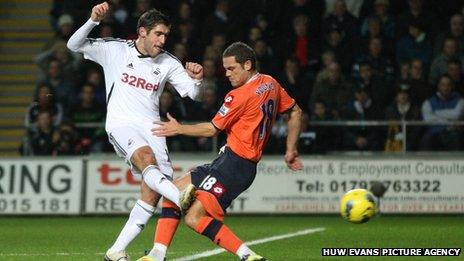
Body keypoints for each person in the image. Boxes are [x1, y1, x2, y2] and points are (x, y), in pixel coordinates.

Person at [139, 42, 303, 261]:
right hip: (231, 162)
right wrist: (290, 150)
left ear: (247, 65)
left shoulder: (239, 96)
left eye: (231, 69)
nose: (226, 74)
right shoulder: (270, 83)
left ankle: (248, 256)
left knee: (194, 218)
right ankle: (157, 254)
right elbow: (296, 112)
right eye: (224, 69)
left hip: (234, 165)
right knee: (172, 192)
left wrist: (178, 129)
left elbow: (211, 130)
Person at [66, 2, 203, 260]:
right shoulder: (115, 49)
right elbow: (73, 45)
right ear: (142, 32)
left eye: (166, 35)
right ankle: (181, 197)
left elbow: (194, 95)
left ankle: (115, 251)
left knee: (150, 196)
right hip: (121, 124)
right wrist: (93, 21)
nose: (163, 40)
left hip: (153, 128)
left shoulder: (168, 63)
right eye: (158, 34)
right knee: (147, 161)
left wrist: (197, 79)